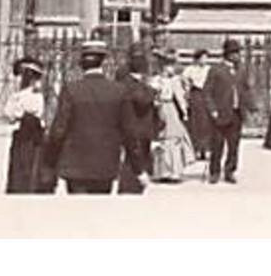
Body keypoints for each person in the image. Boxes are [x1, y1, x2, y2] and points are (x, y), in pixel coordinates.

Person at [42, 39, 142, 195]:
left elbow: (58, 130)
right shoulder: (118, 91)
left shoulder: (71, 90)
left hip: (75, 165)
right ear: (104, 62)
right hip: (105, 164)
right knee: (99, 213)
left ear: (81, 63)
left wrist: (49, 163)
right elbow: (129, 132)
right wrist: (138, 168)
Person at [203, 37, 252, 183]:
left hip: (236, 113)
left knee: (234, 145)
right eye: (234, 53)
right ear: (227, 54)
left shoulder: (241, 70)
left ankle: (230, 171)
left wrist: (251, 106)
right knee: (217, 144)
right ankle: (214, 172)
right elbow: (207, 92)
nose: (237, 56)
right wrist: (212, 110)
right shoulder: (216, 70)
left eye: (238, 53)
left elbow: (246, 89)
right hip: (220, 113)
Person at [3, 55, 47, 193]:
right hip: (21, 136)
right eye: (22, 75)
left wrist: (20, 113)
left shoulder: (36, 95)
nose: (24, 79)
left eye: (28, 76)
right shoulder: (16, 95)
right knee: (18, 169)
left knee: (31, 168)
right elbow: (9, 114)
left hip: (33, 136)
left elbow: (36, 112)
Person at [118, 47, 158, 194]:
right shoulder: (130, 83)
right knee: (134, 163)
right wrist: (152, 89)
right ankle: (131, 188)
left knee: (139, 160)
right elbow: (143, 100)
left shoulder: (133, 82)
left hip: (142, 129)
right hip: (136, 128)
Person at [150, 50, 194, 183]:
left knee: (172, 139)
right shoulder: (157, 80)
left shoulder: (172, 80)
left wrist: (184, 110)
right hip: (162, 108)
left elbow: (180, 97)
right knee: (164, 140)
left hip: (168, 107)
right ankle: (163, 171)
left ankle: (171, 171)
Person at [183, 49, 214, 166]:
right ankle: (196, 149)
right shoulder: (190, 70)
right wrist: (187, 91)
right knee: (196, 123)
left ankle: (206, 149)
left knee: (206, 123)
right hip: (196, 95)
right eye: (202, 58)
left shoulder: (209, 69)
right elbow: (185, 81)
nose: (204, 60)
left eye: (206, 58)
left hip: (206, 94)